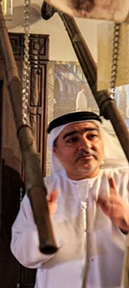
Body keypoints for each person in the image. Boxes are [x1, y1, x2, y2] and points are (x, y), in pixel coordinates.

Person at [11, 111, 129, 288]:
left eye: (92, 136)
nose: (85, 145)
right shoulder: (41, 191)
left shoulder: (125, 182)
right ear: (56, 150)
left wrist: (125, 222)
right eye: (72, 140)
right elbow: (24, 257)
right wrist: (42, 225)